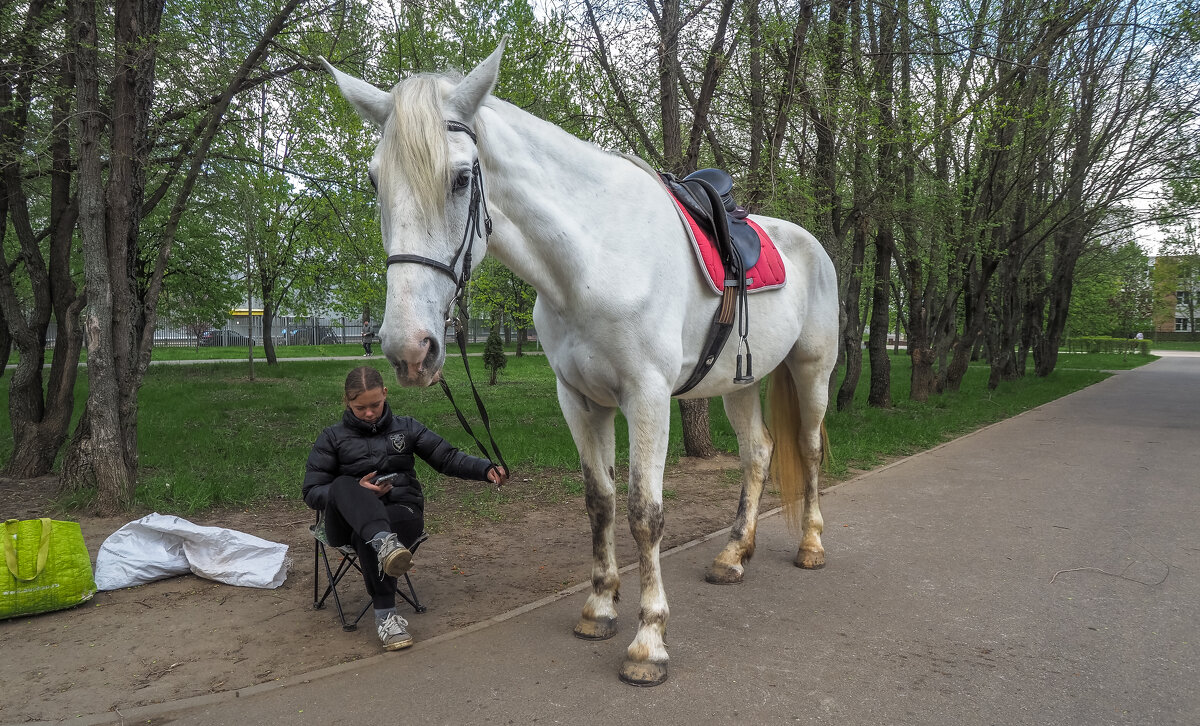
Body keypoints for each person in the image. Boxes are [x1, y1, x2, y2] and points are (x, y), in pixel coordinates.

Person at [302, 366, 508, 650]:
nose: (370, 413)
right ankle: (383, 546)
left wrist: (486, 470)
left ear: (385, 393)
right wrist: (358, 491)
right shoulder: (332, 438)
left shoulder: (406, 427)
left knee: (372, 536)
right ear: (347, 402)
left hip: (402, 513)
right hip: (345, 523)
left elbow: (446, 458)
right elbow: (312, 491)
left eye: (375, 404)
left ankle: (386, 614)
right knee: (343, 486)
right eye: (360, 408)